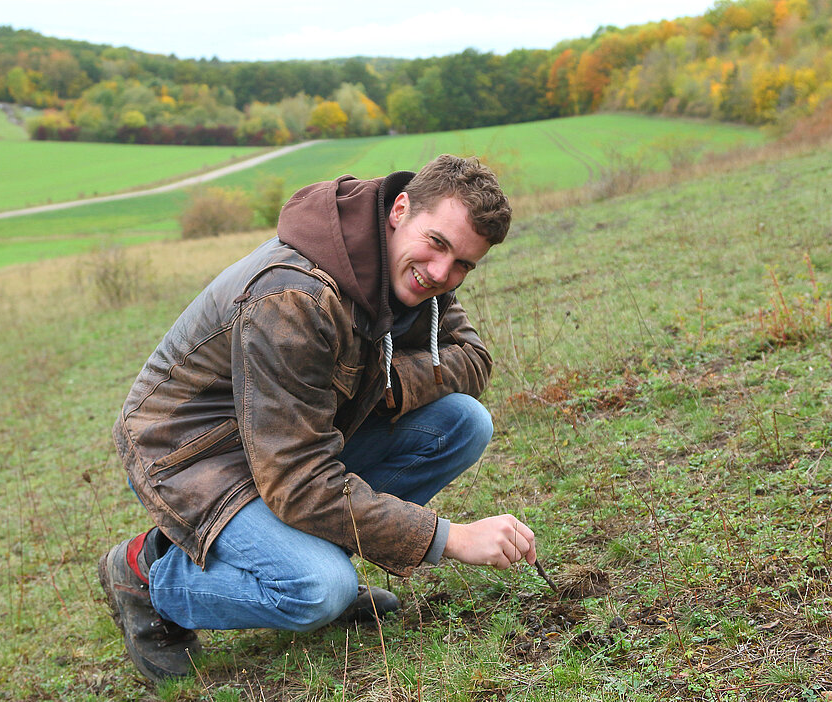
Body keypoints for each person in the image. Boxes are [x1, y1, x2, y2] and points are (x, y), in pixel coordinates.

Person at [98, 154, 537, 682]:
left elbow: (471, 357)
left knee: (463, 422)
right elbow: (299, 483)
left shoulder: (407, 271)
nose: (442, 274)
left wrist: (386, 384)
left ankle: (296, 551)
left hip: (287, 440)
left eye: (464, 264)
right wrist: (450, 538)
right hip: (192, 451)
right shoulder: (294, 297)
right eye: (438, 244)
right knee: (317, 589)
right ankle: (146, 576)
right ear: (401, 209)